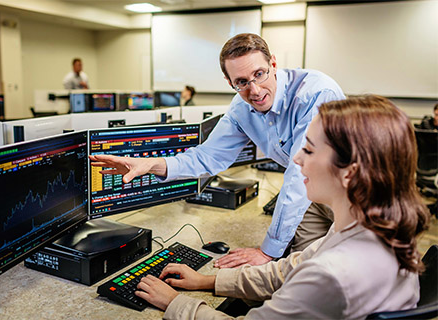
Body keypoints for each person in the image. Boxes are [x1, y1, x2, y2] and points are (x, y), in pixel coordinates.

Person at [134, 95, 430, 319]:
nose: (296, 158)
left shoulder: (333, 274)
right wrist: (208, 280)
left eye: (309, 149)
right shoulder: (370, 227)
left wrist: (174, 303)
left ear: (349, 172)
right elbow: (290, 269)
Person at [90, 33, 345, 267]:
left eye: (260, 74)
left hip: (349, 192)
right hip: (311, 194)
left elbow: (299, 173)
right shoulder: (241, 109)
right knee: (303, 270)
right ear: (229, 81)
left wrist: (268, 251)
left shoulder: (315, 93)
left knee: (350, 268)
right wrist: (153, 165)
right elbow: (207, 157)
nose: (254, 91)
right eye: (241, 82)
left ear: (274, 64)